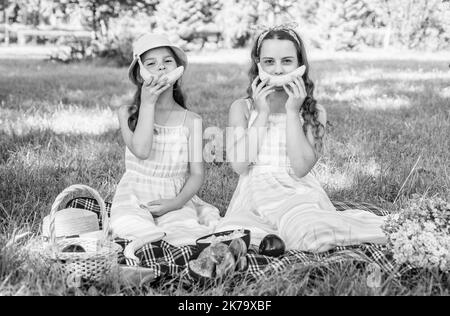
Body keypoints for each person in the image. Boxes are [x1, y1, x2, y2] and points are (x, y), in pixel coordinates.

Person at [215, 25, 387, 252]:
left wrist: (291, 112)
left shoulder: (314, 112)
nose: (277, 70)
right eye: (269, 62)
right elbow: (239, 165)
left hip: (296, 194)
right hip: (254, 196)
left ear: (300, 65)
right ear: (258, 64)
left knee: (312, 235)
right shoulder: (242, 108)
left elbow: (300, 168)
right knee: (240, 241)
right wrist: (263, 113)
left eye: (286, 61)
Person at [110, 33, 220, 253]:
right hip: (135, 195)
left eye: (167, 61)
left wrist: (176, 203)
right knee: (129, 226)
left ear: (178, 72)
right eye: (151, 63)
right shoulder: (127, 113)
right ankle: (149, 244)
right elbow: (141, 150)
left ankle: (166, 244)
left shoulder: (192, 121)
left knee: (183, 233)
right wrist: (148, 105)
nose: (161, 67)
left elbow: (197, 174)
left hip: (174, 196)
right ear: (140, 75)